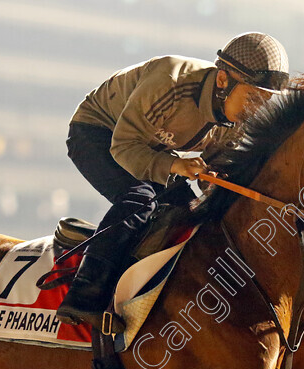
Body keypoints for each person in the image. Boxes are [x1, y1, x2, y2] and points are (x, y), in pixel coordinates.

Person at [56, 32, 291, 333]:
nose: (257, 109)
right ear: (223, 80)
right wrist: (175, 165)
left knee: (186, 211)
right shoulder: (170, 80)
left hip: (151, 144)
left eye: (266, 101)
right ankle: (83, 295)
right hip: (99, 133)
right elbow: (124, 146)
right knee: (141, 198)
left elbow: (217, 170)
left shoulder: (235, 121)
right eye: (254, 97)